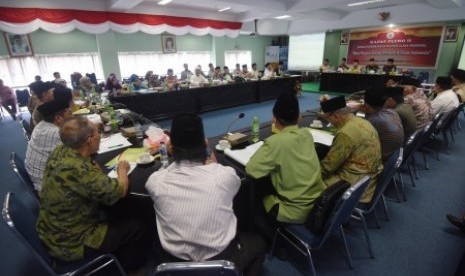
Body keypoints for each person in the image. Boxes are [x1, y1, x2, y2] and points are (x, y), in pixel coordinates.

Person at [146, 113, 266, 276]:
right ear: (205, 144)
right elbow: (234, 180)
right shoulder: (223, 177)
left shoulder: (156, 182)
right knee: (258, 244)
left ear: (171, 148)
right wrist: (213, 164)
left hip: (175, 265)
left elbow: (162, 174)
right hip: (223, 261)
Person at [36, 117, 150, 274]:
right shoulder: (80, 170)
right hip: (72, 242)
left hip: (52, 231)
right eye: (98, 133)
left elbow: (89, 170)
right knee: (137, 226)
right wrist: (122, 170)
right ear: (89, 140)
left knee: (116, 210)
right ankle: (127, 269)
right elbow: (120, 190)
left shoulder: (60, 151)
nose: (100, 135)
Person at [246, 93, 326, 241]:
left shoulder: (275, 141)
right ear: (299, 117)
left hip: (294, 211)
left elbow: (251, 169)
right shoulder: (306, 133)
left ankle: (270, 239)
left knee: (255, 190)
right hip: (318, 203)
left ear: (274, 120)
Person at [320, 96, 383, 203]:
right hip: (367, 180)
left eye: (328, 119)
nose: (330, 123)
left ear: (336, 116)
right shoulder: (363, 122)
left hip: (355, 186)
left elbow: (328, 167)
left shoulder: (346, 133)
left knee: (309, 186)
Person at [25, 97, 73, 192]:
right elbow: (78, 153)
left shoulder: (41, 125)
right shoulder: (55, 133)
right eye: (69, 112)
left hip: (43, 180)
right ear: (58, 118)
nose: (72, 114)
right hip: (52, 190)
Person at [364, 88, 404, 161]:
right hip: (395, 154)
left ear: (366, 104)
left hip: (383, 158)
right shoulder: (392, 112)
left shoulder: (374, 120)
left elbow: (362, 141)